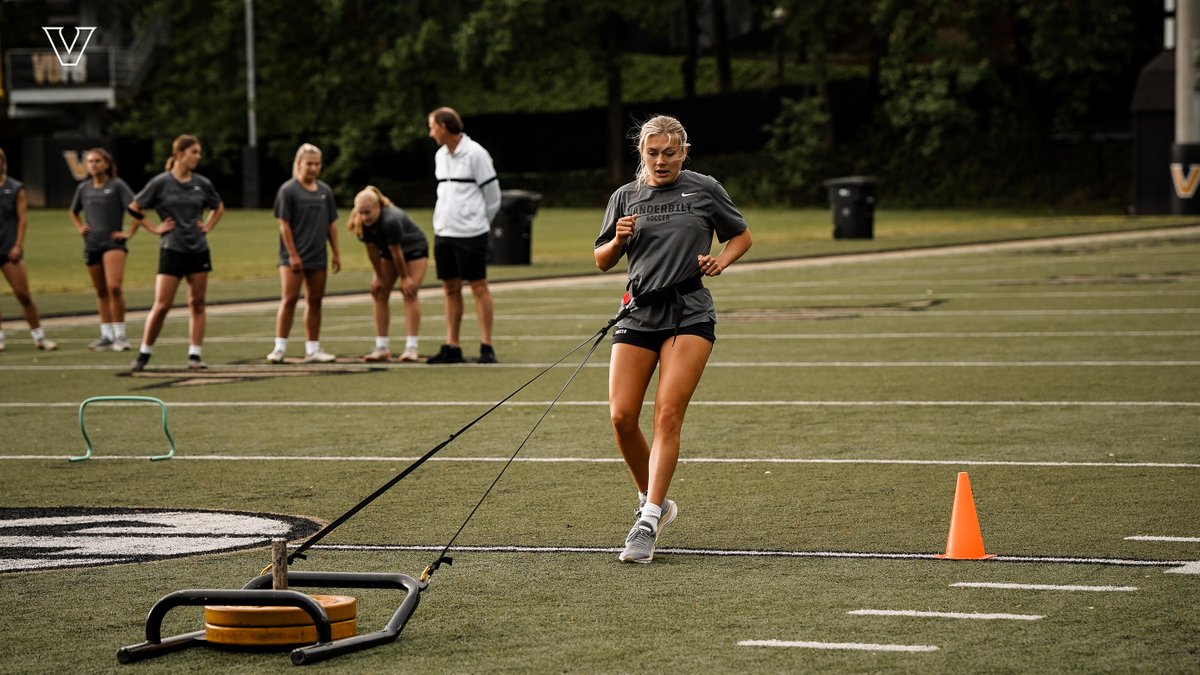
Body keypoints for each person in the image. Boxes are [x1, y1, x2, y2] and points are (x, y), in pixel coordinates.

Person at [594, 115, 753, 564]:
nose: (661, 161)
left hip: (689, 314)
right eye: (652, 152)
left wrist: (722, 260)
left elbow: (741, 234)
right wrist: (616, 240)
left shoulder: (703, 189)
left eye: (669, 152)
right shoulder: (625, 197)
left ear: (684, 152)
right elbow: (602, 259)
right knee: (622, 416)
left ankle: (646, 521)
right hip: (639, 312)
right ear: (641, 153)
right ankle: (656, 500)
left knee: (667, 413)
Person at [128, 134, 224, 371]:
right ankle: (144, 353)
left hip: (198, 249)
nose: (198, 157)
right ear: (179, 154)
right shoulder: (160, 183)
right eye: (194, 152)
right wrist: (154, 228)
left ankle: (195, 355)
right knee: (162, 305)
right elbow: (134, 207)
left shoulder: (202, 183)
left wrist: (208, 226)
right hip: (172, 249)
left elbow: (218, 206)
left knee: (197, 303)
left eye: (199, 152)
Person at [426, 107, 501, 364]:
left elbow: (493, 196)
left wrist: (480, 222)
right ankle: (452, 345)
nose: (430, 132)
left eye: (432, 126)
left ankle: (486, 346)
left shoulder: (476, 154)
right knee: (450, 287)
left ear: (444, 127)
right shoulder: (440, 156)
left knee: (478, 286)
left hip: (471, 232)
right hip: (444, 231)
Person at [266, 143, 341, 364]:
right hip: (293, 258)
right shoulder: (288, 190)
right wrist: (293, 255)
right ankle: (279, 347)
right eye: (309, 163)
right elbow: (284, 225)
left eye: (317, 164)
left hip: (318, 256)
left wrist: (336, 253)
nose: (314, 168)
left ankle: (313, 349)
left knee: (315, 301)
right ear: (299, 164)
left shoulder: (324, 191)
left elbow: (331, 225)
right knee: (289, 299)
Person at [69, 147, 143, 352]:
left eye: (97, 161)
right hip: (91, 244)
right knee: (101, 291)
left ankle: (121, 335)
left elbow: (138, 208)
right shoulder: (83, 188)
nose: (93, 165)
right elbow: (73, 211)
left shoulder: (117, 185)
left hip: (113, 244)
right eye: (90, 161)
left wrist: (128, 232)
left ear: (107, 164)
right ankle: (106, 335)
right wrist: (79, 226)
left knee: (114, 287)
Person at [347, 186, 428, 362]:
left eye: (368, 212)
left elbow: (397, 251)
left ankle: (411, 348)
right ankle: (381, 347)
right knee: (379, 292)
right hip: (389, 252)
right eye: (360, 212)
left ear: (378, 208)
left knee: (409, 292)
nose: (364, 217)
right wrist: (378, 276)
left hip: (413, 249)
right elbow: (372, 251)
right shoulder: (361, 221)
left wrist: (405, 278)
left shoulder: (391, 219)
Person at [0, 148, 57, 353]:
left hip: (8, 247)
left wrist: (18, 245)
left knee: (23, 294)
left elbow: (23, 219)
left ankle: (39, 337)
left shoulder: (15, 188)